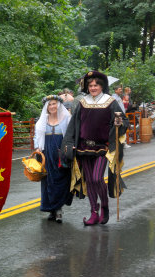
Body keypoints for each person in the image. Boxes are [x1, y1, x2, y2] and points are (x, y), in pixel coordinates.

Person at [61, 71, 128, 226]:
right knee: (89, 181)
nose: (93, 88)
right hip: (83, 147)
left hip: (102, 147)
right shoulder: (82, 102)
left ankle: (104, 206)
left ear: (102, 86)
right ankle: (93, 211)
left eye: (96, 85)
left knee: (97, 178)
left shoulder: (110, 102)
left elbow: (123, 121)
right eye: (90, 85)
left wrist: (119, 123)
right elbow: (74, 125)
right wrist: (69, 144)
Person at [34, 95, 73, 223]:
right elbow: (37, 136)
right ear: (46, 107)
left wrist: (69, 150)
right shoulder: (42, 120)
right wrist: (37, 148)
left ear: (58, 105)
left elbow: (71, 135)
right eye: (49, 105)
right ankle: (51, 209)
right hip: (46, 153)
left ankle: (58, 209)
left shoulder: (66, 118)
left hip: (60, 154)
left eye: (54, 104)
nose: (52, 107)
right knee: (47, 182)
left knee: (60, 180)